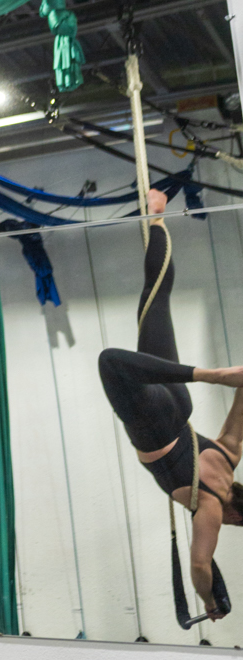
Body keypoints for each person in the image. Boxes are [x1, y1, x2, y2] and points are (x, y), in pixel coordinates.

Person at [98, 188, 243, 619]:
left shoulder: (231, 456)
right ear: (237, 516)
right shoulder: (213, 509)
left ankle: (156, 218)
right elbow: (199, 563)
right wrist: (208, 600)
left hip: (175, 401)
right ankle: (208, 372)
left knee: (155, 298)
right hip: (152, 424)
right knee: (110, 362)